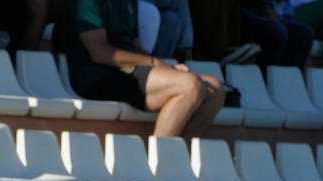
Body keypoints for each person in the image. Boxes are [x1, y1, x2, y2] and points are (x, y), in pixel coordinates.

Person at [58, 0, 227, 139]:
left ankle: (181, 156)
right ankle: (159, 163)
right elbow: (99, 53)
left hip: (128, 71)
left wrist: (171, 70)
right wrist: (156, 63)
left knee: (215, 88)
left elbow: (136, 49)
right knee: (190, 86)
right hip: (97, 75)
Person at [241, 0, 314, 72]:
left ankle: (286, 81)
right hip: (242, 9)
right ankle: (263, 79)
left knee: (304, 34)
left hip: (267, 9)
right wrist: (265, 5)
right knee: (277, 31)